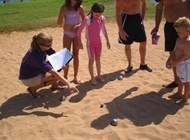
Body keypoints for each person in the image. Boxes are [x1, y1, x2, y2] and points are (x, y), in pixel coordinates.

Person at [19, 32, 79, 99]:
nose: (49, 47)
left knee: (56, 67)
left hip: (35, 72)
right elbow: (53, 72)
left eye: (51, 45)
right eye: (48, 46)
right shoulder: (34, 55)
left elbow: (54, 55)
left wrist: (62, 62)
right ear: (40, 44)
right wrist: (68, 83)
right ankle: (32, 89)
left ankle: (54, 86)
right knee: (55, 75)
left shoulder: (42, 47)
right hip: (28, 78)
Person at [151, 0, 190, 88]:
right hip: (170, 26)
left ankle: (187, 83)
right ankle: (176, 81)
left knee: (187, 54)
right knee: (173, 53)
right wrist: (156, 27)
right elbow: (159, 8)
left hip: (185, 27)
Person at [76, 3, 111, 85]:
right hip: (90, 43)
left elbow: (104, 30)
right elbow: (78, 32)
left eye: (100, 14)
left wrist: (107, 41)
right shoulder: (87, 19)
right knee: (91, 60)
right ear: (92, 11)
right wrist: (79, 42)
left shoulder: (102, 18)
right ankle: (92, 78)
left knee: (98, 58)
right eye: (96, 15)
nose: (98, 16)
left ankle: (99, 76)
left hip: (99, 42)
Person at [115, 0, 152, 73]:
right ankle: (130, 64)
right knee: (127, 44)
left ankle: (143, 64)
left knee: (143, 42)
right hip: (127, 18)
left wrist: (143, 17)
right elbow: (117, 14)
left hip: (138, 17)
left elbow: (144, 3)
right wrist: (121, 30)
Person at [57, 0, 85, 84]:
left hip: (76, 35)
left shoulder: (80, 8)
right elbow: (59, 23)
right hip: (67, 34)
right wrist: (62, 12)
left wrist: (78, 26)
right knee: (66, 55)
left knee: (76, 54)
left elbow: (84, 21)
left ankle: (75, 76)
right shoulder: (64, 8)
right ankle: (65, 77)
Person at [166, 17, 190, 105]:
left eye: (180, 32)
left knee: (186, 82)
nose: (178, 34)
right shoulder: (178, 39)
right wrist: (169, 60)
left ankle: (185, 99)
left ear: (187, 30)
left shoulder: (188, 42)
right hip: (178, 63)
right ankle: (179, 93)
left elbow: (185, 55)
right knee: (179, 78)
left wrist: (175, 63)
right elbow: (174, 51)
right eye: (177, 32)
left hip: (185, 64)